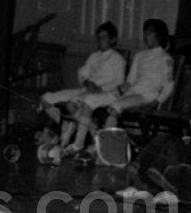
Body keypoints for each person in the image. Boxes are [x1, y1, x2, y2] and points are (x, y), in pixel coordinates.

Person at [64, 19, 175, 155]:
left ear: (159, 35)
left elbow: (169, 85)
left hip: (146, 96)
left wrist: (156, 102)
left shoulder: (165, 58)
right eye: (145, 32)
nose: (146, 36)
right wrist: (116, 91)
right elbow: (129, 81)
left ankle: (101, 148)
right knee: (89, 100)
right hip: (129, 92)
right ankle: (78, 143)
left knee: (115, 107)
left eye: (149, 32)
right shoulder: (140, 55)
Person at [118, 104, 191, 206]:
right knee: (162, 138)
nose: (190, 121)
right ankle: (137, 168)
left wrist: (186, 145)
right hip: (183, 169)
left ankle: (160, 180)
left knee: (173, 143)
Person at [40, 22, 125, 144]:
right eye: (98, 38)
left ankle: (76, 135)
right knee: (45, 98)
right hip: (86, 90)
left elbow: (119, 82)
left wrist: (100, 88)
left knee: (71, 105)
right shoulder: (94, 56)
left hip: (103, 93)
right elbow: (82, 73)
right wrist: (86, 82)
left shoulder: (118, 59)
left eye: (104, 37)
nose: (100, 40)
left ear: (112, 39)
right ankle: (68, 124)